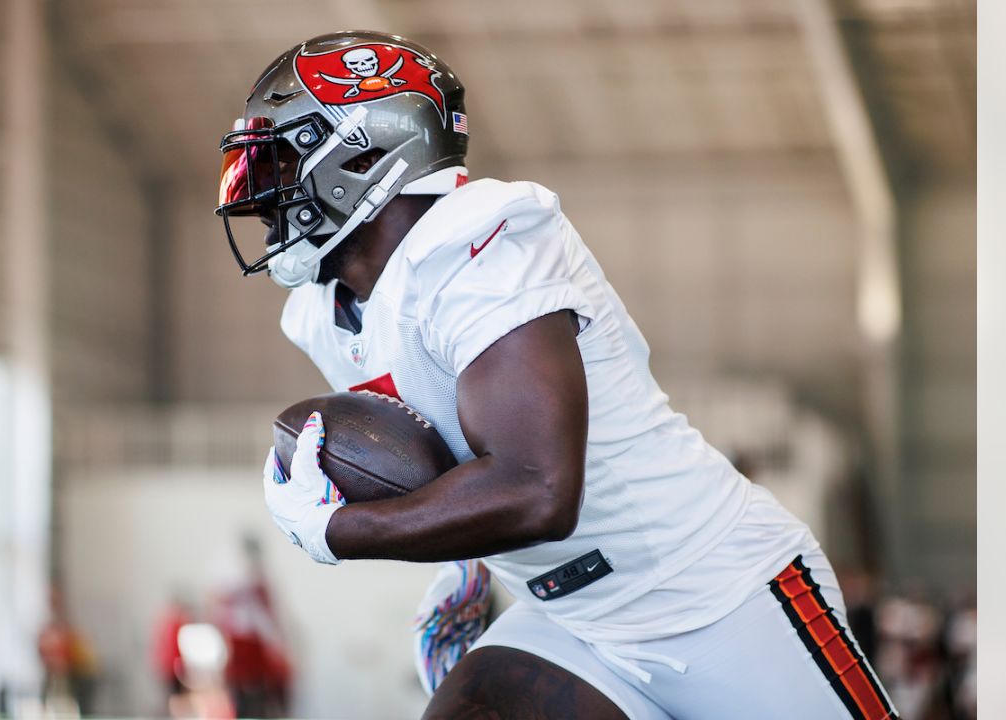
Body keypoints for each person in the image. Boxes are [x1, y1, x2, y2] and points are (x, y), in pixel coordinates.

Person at [217, 30, 900, 719]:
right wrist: (467, 568)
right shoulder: (323, 311)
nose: (260, 196)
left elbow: (539, 489)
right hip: (570, 618)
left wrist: (343, 533)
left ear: (363, 153)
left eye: (277, 163)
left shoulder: (476, 243)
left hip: (710, 593)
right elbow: (455, 445)